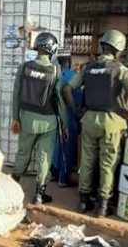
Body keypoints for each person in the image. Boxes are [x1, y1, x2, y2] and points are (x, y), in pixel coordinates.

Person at [63, 30, 128, 217]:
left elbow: (66, 90)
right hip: (112, 121)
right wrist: (127, 113)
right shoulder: (120, 70)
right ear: (119, 50)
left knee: (87, 161)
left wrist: (77, 111)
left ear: (103, 46)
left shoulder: (88, 68)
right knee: (108, 164)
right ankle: (103, 206)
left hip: (89, 120)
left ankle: (83, 202)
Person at [11, 32, 67, 205]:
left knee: (23, 155)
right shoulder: (56, 70)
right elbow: (59, 99)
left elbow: (16, 94)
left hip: (27, 119)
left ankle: (11, 190)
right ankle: (39, 195)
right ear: (52, 49)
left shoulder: (25, 66)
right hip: (48, 122)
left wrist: (16, 118)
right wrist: (64, 125)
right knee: (45, 158)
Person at [51, 55, 79, 188]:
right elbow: (77, 99)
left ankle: (53, 174)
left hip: (53, 117)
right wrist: (78, 113)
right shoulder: (74, 76)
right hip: (69, 117)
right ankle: (63, 178)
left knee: (54, 147)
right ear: (69, 62)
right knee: (67, 149)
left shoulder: (54, 75)